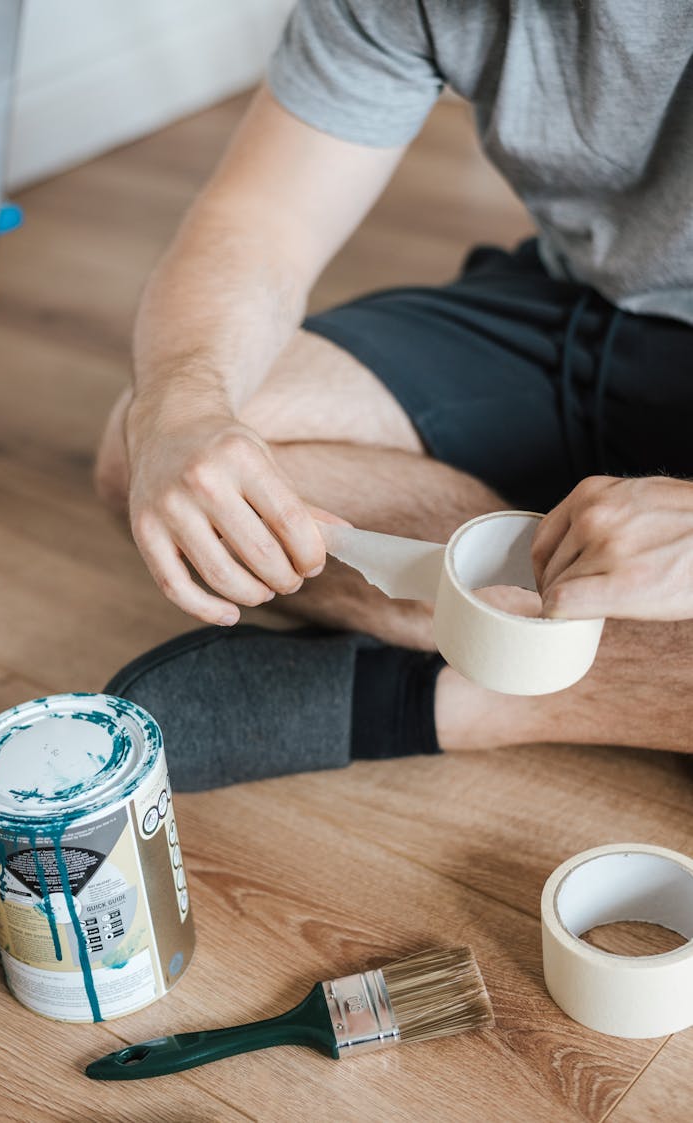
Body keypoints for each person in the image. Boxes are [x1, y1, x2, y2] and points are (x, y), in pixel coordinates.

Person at [95, 2, 693, 789]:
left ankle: (437, 699)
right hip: (575, 299)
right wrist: (183, 410)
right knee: (154, 451)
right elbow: (261, 222)